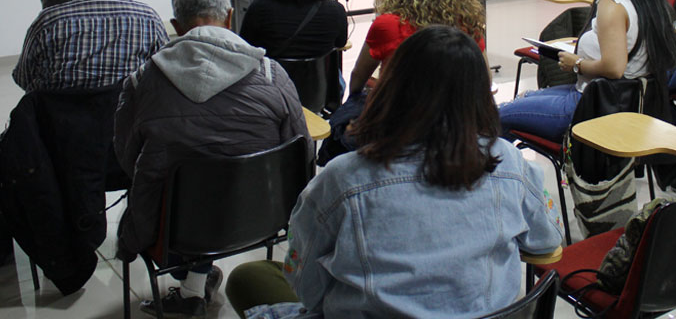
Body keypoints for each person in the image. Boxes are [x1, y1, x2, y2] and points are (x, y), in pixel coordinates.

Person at [225, 25, 564, 319]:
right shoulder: (509, 162)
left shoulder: (343, 177)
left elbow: (306, 287)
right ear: (479, 94)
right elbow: (547, 241)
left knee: (249, 277)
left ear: (392, 88)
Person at [114, 0, 312, 317]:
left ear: (176, 26)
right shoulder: (272, 74)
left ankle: (192, 284)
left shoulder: (142, 80)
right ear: (230, 17)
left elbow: (126, 156)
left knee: (161, 192)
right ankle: (196, 283)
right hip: (261, 216)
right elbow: (300, 152)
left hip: (172, 227)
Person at [498, 0, 676, 141]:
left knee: (498, 115)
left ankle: (501, 162)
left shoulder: (613, 4)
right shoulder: (658, 7)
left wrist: (577, 64)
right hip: (626, 101)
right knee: (525, 97)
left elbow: (614, 68)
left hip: (596, 104)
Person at [12, 0, 167, 93]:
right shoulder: (148, 17)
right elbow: (165, 71)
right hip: (130, 108)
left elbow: (23, 78)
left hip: (64, 109)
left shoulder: (48, 22)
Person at [347, 0, 486, 95]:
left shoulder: (387, 25)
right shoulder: (467, 22)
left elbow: (358, 77)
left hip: (401, 107)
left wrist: (354, 99)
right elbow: (485, 78)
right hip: (456, 107)